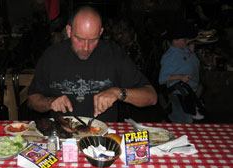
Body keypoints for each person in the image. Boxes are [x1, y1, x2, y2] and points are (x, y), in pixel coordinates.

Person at [28, 6, 157, 122]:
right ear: (69, 31)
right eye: (79, 39)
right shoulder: (52, 56)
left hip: (104, 136)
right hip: (62, 135)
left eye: (93, 40)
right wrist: (50, 102)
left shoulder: (114, 54)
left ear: (100, 33)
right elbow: (32, 99)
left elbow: (151, 96)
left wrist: (118, 93)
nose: (86, 47)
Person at [159, 21, 204, 123]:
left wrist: (192, 45)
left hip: (191, 89)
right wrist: (180, 76)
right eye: (184, 40)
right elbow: (162, 79)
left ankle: (193, 106)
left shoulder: (184, 48)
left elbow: (189, 52)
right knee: (185, 120)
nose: (187, 42)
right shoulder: (170, 57)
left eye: (188, 39)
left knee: (201, 87)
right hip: (178, 91)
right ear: (175, 41)